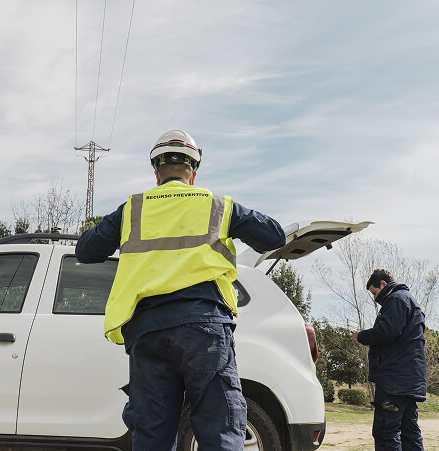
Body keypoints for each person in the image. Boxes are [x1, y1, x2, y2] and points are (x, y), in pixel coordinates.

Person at [75, 130, 286, 451]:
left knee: (152, 434)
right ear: (194, 172)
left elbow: (86, 251)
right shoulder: (218, 206)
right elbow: (274, 237)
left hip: (148, 332)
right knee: (219, 429)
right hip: (205, 329)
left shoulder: (132, 209)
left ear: (156, 172)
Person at [352, 269, 427, 451]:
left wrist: (361, 336)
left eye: (374, 293)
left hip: (394, 382)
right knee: (410, 433)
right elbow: (398, 337)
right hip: (409, 380)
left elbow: (388, 331)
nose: (375, 299)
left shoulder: (396, 299)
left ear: (383, 284)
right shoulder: (409, 300)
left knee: (386, 432)